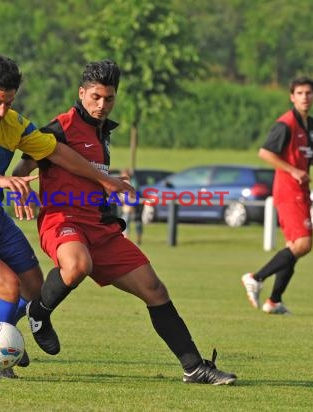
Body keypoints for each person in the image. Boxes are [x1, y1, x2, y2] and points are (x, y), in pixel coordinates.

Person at [13, 59, 237, 385]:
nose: (103, 105)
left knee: (155, 289)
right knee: (77, 265)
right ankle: (38, 313)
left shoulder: (103, 133)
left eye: (110, 98)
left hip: (99, 226)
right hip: (62, 219)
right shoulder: (58, 128)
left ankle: (194, 367)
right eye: (96, 97)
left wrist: (113, 183)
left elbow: (89, 176)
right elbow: (21, 172)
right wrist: (22, 193)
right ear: (81, 93)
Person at [0, 55, 134, 379]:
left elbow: (55, 151)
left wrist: (104, 180)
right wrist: (1, 180)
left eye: (8, 104)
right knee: (9, 287)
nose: (1, 112)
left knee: (36, 292)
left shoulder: (14, 124)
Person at [241, 76, 313, 314]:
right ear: (292, 97)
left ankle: (273, 301)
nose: (305, 97)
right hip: (287, 190)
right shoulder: (285, 124)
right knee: (303, 244)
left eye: (309, 93)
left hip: (301, 190)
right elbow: (265, 153)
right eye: (300, 93)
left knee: (294, 246)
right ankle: (256, 277)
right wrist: (293, 170)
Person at [118, 168, 143, 244]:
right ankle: (126, 238)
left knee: (136, 221)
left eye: (124, 175)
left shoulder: (132, 183)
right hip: (126, 205)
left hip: (133, 205)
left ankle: (136, 239)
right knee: (126, 220)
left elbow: (134, 194)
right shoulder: (123, 182)